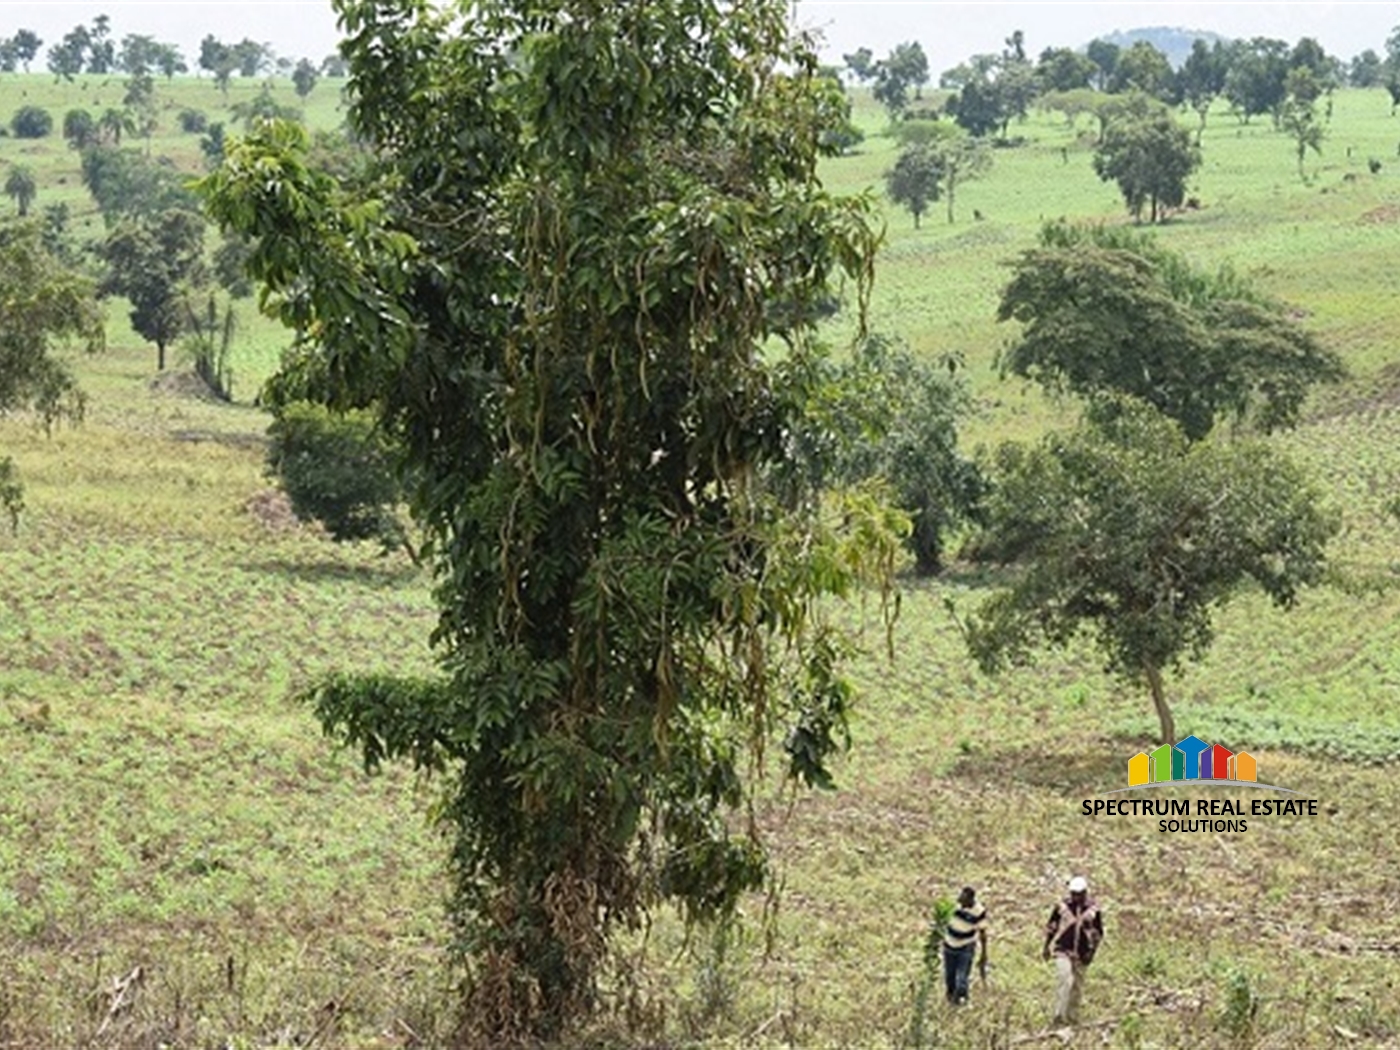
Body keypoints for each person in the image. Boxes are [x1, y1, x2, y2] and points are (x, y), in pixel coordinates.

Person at [1041, 875, 1103, 1025]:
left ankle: (1072, 1017)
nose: (1076, 897)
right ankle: (1059, 1016)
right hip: (1063, 949)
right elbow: (1052, 927)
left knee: (1077, 986)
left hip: (1083, 952)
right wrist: (1046, 946)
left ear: (1085, 892)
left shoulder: (1093, 910)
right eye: (1073, 894)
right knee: (1065, 979)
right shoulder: (1062, 907)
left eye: (1079, 894)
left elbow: (1098, 933)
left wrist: (1091, 952)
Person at [942, 885, 989, 1005]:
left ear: (970, 900)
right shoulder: (954, 906)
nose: (960, 902)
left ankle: (962, 1002)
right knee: (950, 978)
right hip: (949, 946)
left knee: (961, 979)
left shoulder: (979, 911)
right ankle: (951, 1002)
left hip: (965, 948)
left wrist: (984, 954)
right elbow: (943, 921)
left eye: (963, 900)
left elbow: (983, 934)